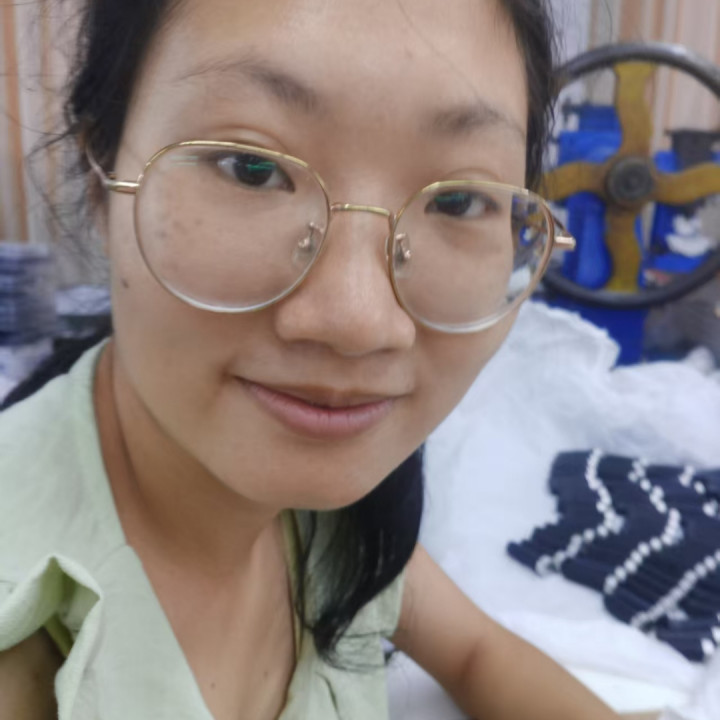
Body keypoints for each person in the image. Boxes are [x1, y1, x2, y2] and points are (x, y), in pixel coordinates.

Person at [0, 0, 630, 718]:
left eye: (458, 200)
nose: (360, 324)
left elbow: (476, 651)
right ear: (101, 181)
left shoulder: (336, 521)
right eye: (252, 168)